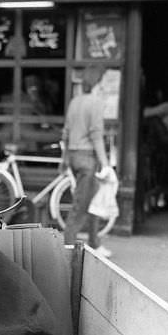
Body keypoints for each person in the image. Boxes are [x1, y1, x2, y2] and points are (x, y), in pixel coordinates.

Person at [61, 64, 112, 258]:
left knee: (92, 202)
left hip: (74, 156)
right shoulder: (97, 103)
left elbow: (66, 132)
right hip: (87, 158)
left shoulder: (75, 101)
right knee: (81, 207)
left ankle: (95, 242)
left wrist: (64, 158)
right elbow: (96, 135)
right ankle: (67, 247)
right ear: (98, 82)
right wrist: (105, 163)